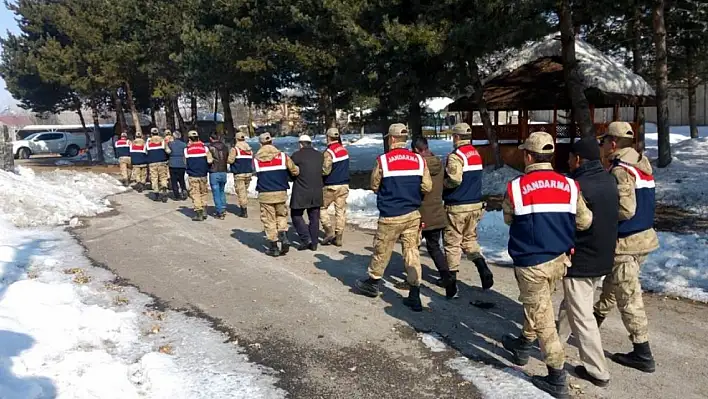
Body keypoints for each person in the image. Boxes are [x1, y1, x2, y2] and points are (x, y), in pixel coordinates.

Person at [501, 131, 593, 399]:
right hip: (560, 260)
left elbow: (508, 218)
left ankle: (556, 376)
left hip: (531, 263)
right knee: (539, 305)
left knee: (543, 318)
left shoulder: (516, 187)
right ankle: (524, 344)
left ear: (528, 156)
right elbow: (585, 221)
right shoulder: (569, 185)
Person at [593, 121, 659, 373]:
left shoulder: (621, 170)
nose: (600, 146)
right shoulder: (642, 165)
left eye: (602, 142)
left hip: (626, 244)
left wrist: (601, 216)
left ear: (612, 143)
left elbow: (626, 209)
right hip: (643, 239)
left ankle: (642, 351)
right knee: (612, 286)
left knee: (629, 297)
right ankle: (591, 324)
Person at [556, 137, 618, 387]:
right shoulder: (609, 180)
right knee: (571, 304)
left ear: (578, 159)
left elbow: (571, 223)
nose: (569, 162)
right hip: (603, 256)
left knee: (582, 316)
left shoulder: (577, 186)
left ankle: (597, 371)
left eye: (570, 157)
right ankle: (553, 341)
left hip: (581, 258)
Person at [355, 123, 432, 312]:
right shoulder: (419, 160)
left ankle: (372, 283)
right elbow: (427, 186)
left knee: (382, 249)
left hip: (390, 215)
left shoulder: (383, 160)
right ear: (404, 140)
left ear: (391, 139)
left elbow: (374, 185)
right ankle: (414, 293)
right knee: (412, 252)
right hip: (412, 214)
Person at [443, 123, 494, 294]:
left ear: (456, 137)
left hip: (457, 206)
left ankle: (451, 285)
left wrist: (444, 185)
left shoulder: (456, 156)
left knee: (452, 244)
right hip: (475, 205)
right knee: (469, 240)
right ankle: (483, 268)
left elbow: (455, 180)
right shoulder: (475, 153)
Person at [412, 136, 456, 298]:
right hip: (438, 211)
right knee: (434, 247)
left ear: (416, 150)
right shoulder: (439, 163)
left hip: (420, 213)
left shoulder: (418, 166)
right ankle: (447, 277)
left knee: (411, 248)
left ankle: (413, 281)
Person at [254, 132, 300, 257]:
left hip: (265, 193)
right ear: (272, 142)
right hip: (281, 192)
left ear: (260, 144)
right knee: (281, 215)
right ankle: (283, 236)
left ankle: (273, 247)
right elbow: (295, 171)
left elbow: (255, 172)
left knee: (269, 219)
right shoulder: (283, 156)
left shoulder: (256, 160)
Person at [290, 135, 324, 251]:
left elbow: (291, 171)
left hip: (301, 190)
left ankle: (306, 238)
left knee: (296, 215)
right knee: (314, 217)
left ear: (300, 144)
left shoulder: (296, 155)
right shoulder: (320, 155)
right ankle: (314, 243)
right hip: (317, 191)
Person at [321, 127, 350, 246]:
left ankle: (328, 231)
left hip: (331, 186)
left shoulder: (329, 152)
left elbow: (326, 170)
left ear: (328, 137)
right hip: (344, 185)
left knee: (321, 208)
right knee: (340, 211)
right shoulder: (344, 150)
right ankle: (339, 237)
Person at [184, 130, 213, 221]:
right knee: (203, 192)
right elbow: (210, 161)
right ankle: (204, 210)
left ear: (189, 139)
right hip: (203, 174)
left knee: (195, 193)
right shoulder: (205, 148)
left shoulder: (187, 150)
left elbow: (185, 163)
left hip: (193, 175)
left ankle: (199, 213)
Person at [227, 129, 253, 218]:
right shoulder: (250, 150)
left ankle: (244, 210)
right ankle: (244, 205)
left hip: (239, 173)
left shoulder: (235, 149)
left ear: (236, 139)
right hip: (248, 173)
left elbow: (230, 160)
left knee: (241, 192)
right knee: (244, 191)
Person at [208, 133, 229, 219]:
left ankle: (219, 211)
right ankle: (223, 208)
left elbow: (209, 160)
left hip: (214, 171)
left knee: (216, 192)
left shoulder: (210, 148)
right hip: (223, 171)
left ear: (210, 138)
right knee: (222, 191)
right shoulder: (225, 147)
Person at [146, 127, 170, 202]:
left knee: (154, 177)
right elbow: (168, 151)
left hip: (152, 162)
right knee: (163, 177)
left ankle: (156, 192)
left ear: (151, 133)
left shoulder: (148, 141)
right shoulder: (162, 140)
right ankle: (164, 187)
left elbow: (145, 151)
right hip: (162, 162)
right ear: (158, 133)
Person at [166, 131, 188, 200]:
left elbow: (167, 152)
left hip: (172, 164)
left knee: (174, 180)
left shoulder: (170, 144)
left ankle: (177, 195)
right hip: (182, 164)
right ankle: (183, 190)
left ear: (174, 137)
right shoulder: (184, 144)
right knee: (181, 179)